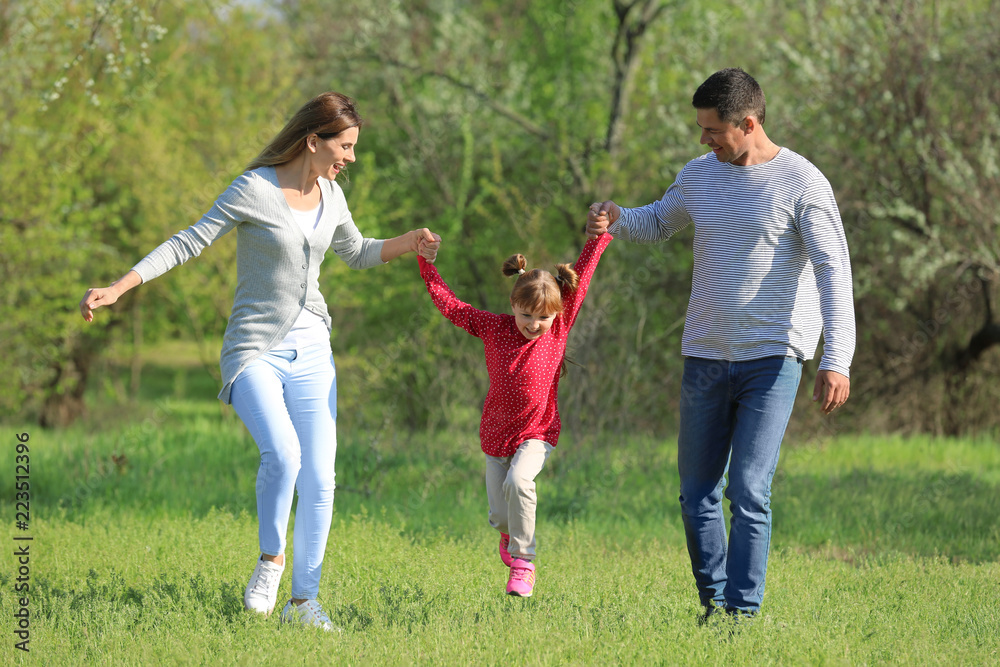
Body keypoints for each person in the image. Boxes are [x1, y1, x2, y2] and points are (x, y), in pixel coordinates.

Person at [79, 92, 441, 630]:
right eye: (345, 146)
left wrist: (409, 241)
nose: (351, 158)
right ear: (312, 140)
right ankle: (271, 561)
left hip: (314, 349)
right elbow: (187, 242)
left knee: (321, 478)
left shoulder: (333, 195)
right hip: (254, 351)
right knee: (285, 456)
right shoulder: (254, 189)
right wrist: (119, 286)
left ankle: (303, 604)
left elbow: (357, 252)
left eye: (354, 148)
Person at [586, 68, 855, 620]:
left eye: (713, 131)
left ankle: (742, 613)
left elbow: (834, 271)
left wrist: (837, 359)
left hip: (772, 359)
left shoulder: (803, 182)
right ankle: (713, 603)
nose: (704, 140)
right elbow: (658, 222)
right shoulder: (700, 175)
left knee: (749, 491)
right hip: (705, 355)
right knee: (696, 495)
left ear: (749, 122)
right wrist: (616, 219)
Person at [416, 232, 612, 597]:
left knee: (520, 483)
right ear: (512, 304)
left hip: (537, 432)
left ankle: (524, 562)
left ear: (557, 315)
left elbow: (582, 277)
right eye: (526, 315)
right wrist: (426, 264)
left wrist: (597, 237)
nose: (534, 324)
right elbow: (451, 306)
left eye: (543, 317)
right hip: (495, 436)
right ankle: (509, 533)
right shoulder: (494, 328)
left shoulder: (558, 332)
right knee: (498, 515)